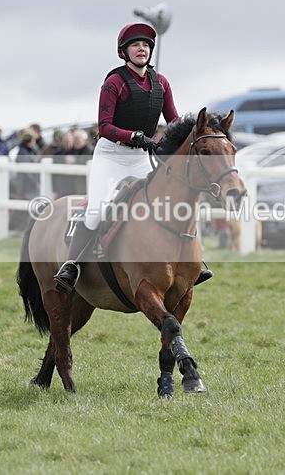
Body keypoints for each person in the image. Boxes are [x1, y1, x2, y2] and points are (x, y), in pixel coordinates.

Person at [54, 22, 211, 292]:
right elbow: (104, 126)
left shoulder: (161, 83)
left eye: (147, 45)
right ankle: (72, 265)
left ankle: (187, 263)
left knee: (167, 205)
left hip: (140, 157)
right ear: (124, 52)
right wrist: (133, 136)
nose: (142, 49)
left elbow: (173, 121)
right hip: (111, 155)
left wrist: (191, 132)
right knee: (96, 211)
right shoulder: (114, 82)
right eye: (136, 45)